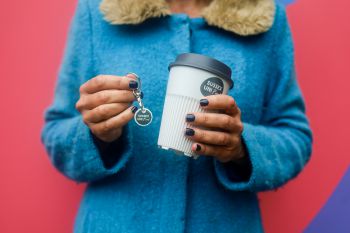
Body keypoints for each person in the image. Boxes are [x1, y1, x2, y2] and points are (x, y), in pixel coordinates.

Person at [41, 0, 313, 232]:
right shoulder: (98, 12)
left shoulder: (267, 19)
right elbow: (57, 132)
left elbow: (294, 136)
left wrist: (240, 147)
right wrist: (98, 135)